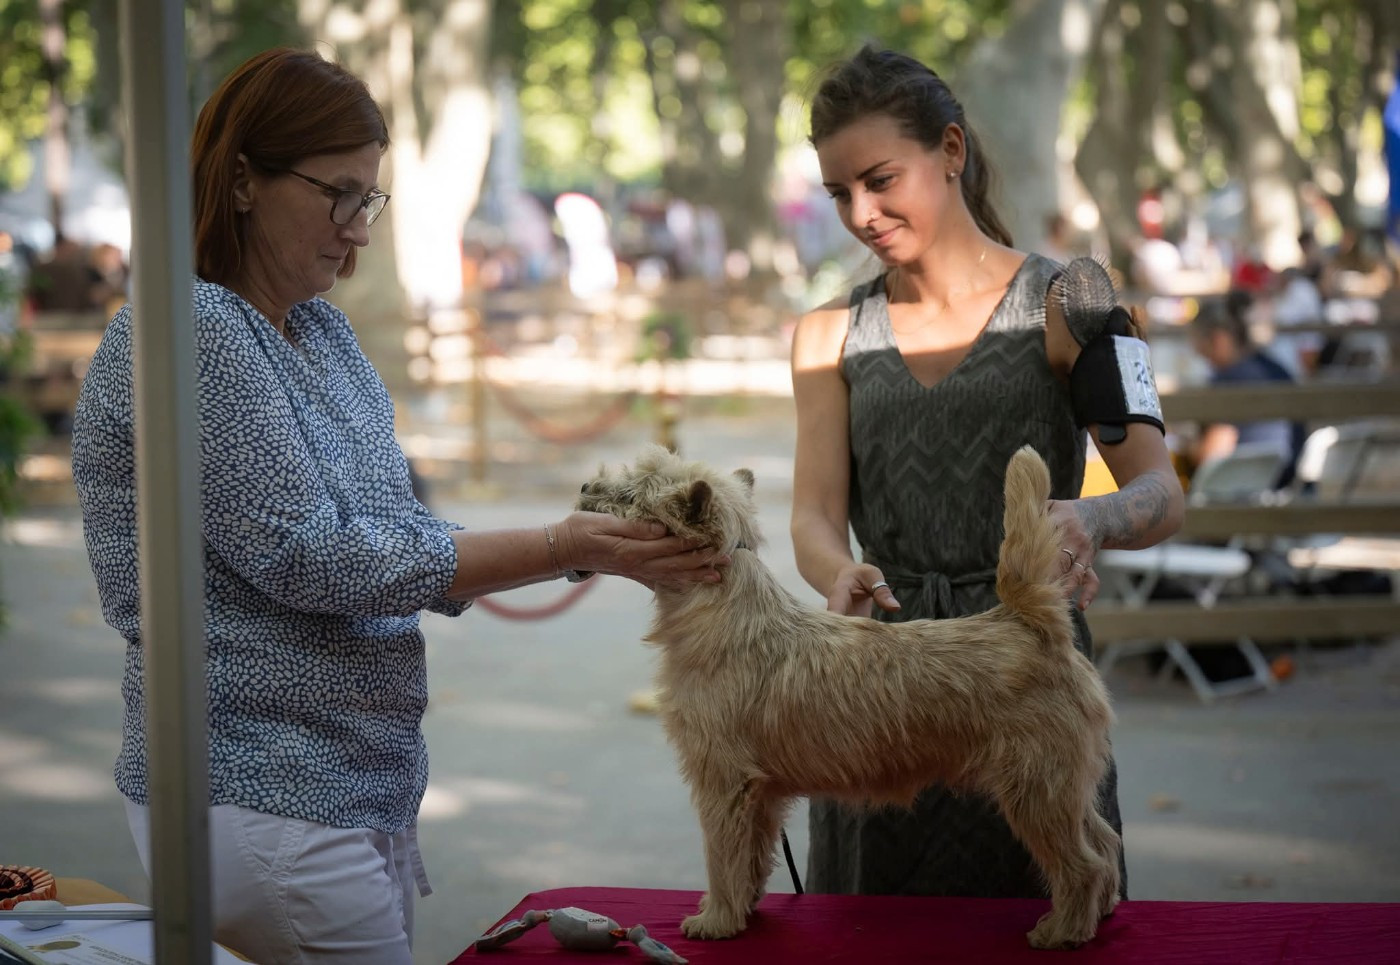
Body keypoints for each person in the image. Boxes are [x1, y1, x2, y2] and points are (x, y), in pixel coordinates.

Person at [69, 48, 725, 965]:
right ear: (246, 180)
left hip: (336, 786)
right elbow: (319, 559)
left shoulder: (317, 328)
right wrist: (560, 542)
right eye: (339, 194)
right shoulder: (200, 327)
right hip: (261, 787)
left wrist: (580, 548)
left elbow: (392, 534)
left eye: (368, 199)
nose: (359, 230)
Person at [789, 44, 1185, 899]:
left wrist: (1094, 519)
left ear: (953, 152)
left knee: (1048, 898)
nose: (860, 211)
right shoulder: (825, 334)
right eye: (838, 192)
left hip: (1026, 680)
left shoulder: (1074, 303)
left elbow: (1162, 490)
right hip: (879, 692)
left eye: (881, 178)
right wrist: (837, 571)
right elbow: (814, 516)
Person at [1187, 293, 1306, 487]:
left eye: (1203, 352)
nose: (1205, 362)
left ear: (1218, 339)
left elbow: (1212, 456)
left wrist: (1191, 448)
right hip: (1289, 484)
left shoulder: (1227, 381)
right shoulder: (1276, 369)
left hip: (1247, 493)